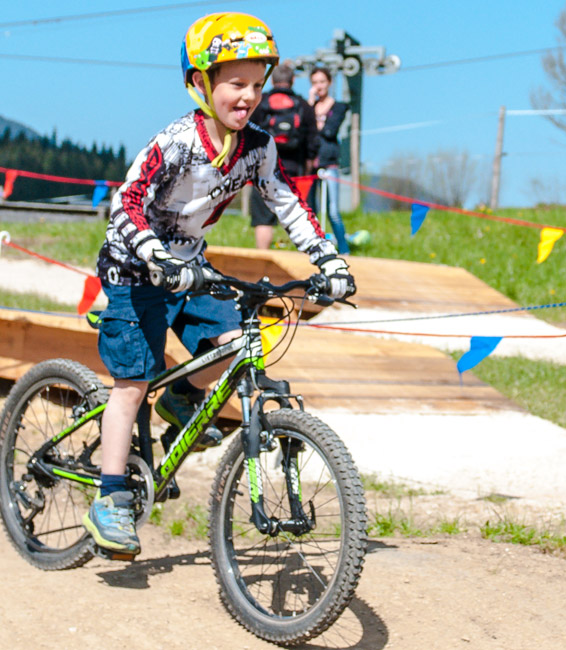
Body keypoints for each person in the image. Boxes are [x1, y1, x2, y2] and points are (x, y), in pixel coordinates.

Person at [84, 12, 356, 558]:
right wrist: (153, 253)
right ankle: (110, 496)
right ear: (200, 84)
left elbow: (288, 204)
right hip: (134, 271)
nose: (249, 95)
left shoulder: (257, 145)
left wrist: (330, 261)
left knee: (235, 343)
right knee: (131, 383)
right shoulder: (176, 142)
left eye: (257, 84)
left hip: (191, 269)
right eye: (236, 83)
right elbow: (125, 204)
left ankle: (181, 396)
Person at [246, 63, 317, 249]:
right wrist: (309, 165)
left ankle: (262, 259)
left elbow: (247, 132)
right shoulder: (303, 106)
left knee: (263, 219)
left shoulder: (260, 103)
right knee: (297, 217)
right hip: (295, 169)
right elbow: (312, 140)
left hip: (263, 168)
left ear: (271, 80)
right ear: (292, 81)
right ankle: (303, 260)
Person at [307, 66, 352, 252]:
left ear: (329, 83)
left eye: (322, 82)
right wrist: (311, 106)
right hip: (312, 164)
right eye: (315, 82)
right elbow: (306, 130)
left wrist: (318, 124)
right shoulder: (309, 107)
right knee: (311, 210)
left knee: (332, 210)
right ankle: (314, 246)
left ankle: (344, 248)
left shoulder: (339, 107)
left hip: (330, 164)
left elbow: (329, 130)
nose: (319, 86)